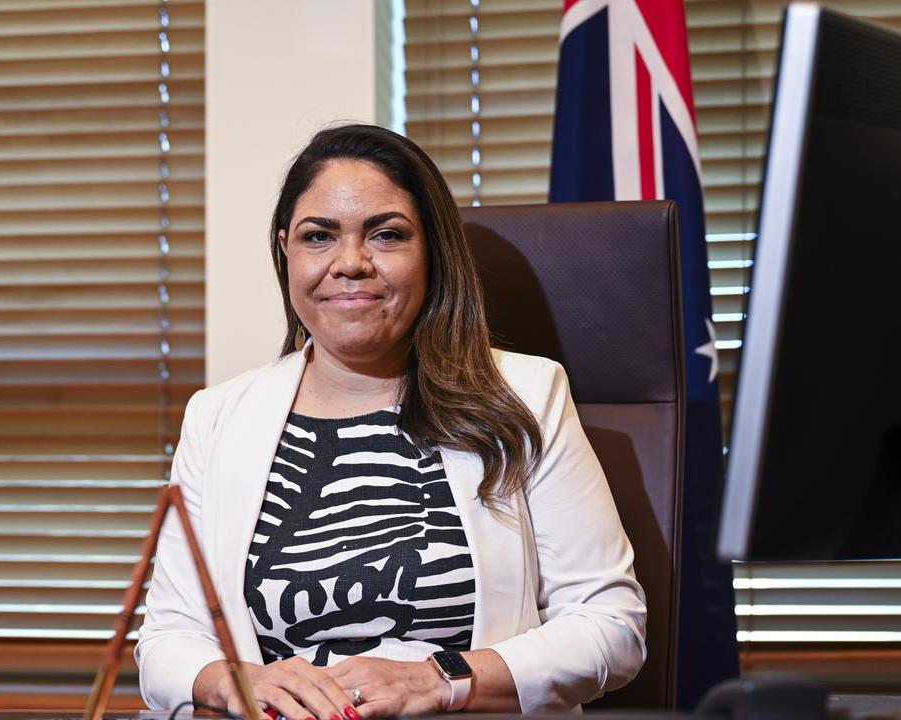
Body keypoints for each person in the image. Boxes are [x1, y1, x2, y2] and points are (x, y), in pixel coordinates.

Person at [135, 124, 646, 717]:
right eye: (318, 236)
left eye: (386, 235)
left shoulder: (526, 394)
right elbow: (169, 637)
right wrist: (235, 683)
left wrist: (441, 680)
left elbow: (612, 625)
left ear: (432, 251)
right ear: (286, 252)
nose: (350, 263)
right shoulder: (217, 417)